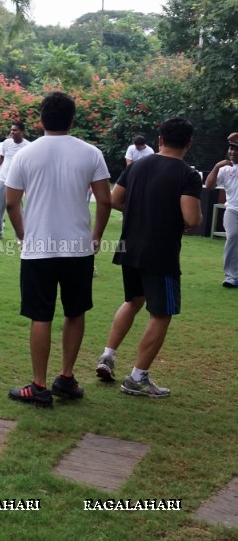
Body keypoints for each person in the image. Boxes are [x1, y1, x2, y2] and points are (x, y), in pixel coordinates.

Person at [5, 92, 111, 408]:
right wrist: (95, 237)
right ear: (73, 119)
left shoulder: (25, 154)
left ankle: (39, 385)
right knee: (75, 311)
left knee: (41, 315)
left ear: (40, 119)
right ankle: (65, 378)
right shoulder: (91, 153)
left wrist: (24, 235)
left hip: (38, 248)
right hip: (78, 248)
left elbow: (11, 202)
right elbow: (105, 200)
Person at [96, 117, 201, 398]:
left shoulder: (137, 166)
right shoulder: (187, 175)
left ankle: (107, 356)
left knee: (133, 301)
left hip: (130, 247)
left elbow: (114, 199)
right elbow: (192, 218)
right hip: (161, 253)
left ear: (160, 140)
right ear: (189, 144)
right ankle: (137, 378)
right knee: (162, 314)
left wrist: (141, 210)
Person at [204, 133, 238, 288]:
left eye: (236, 149)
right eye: (231, 148)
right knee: (233, 237)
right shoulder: (224, 169)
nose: (232, 152)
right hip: (232, 210)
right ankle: (231, 277)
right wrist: (217, 166)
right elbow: (209, 185)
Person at [0, 122, 30, 240]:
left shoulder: (28, 146)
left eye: (15, 130)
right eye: (11, 130)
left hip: (17, 181)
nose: (12, 132)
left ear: (22, 132)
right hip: (2, 178)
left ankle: (20, 236)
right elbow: (2, 158)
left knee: (17, 207)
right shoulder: (6, 143)